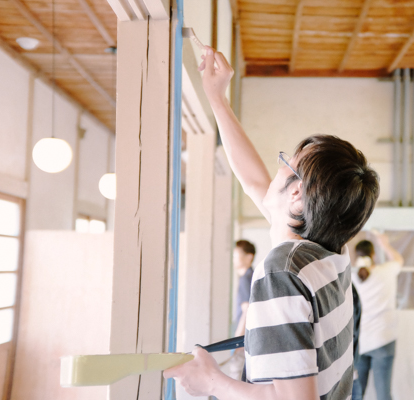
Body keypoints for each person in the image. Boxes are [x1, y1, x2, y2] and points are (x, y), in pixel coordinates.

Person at [163, 46, 380, 400]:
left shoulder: (284, 272)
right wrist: (217, 98)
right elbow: (252, 181)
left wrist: (211, 382)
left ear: (296, 195)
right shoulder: (328, 253)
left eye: (286, 162)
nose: (278, 167)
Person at [351, 233, 404, 400]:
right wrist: (385, 244)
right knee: (384, 394)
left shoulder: (351, 276)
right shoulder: (386, 271)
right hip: (384, 339)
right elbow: (399, 260)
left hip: (360, 342)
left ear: (357, 256)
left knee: (357, 393)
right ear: (373, 254)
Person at [224, 239, 256, 380]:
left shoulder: (245, 279)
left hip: (243, 340)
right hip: (252, 339)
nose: (234, 259)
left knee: (236, 376)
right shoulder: (254, 276)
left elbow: (246, 311)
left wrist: (236, 341)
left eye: (236, 255)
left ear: (249, 257)